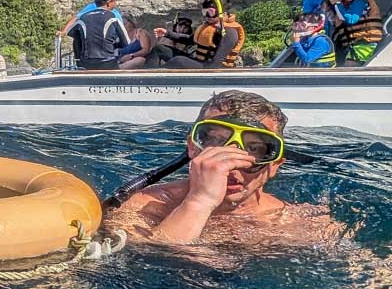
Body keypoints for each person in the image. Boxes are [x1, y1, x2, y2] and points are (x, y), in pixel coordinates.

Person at [112, 90, 336, 245]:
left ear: (275, 164)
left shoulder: (299, 223)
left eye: (255, 148)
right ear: (192, 147)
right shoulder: (142, 208)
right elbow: (140, 266)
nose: (230, 162)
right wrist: (200, 201)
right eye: (216, 142)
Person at [69, 0, 142, 70]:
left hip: (86, 64)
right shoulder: (113, 17)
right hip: (107, 63)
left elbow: (75, 40)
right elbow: (125, 43)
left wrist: (79, 60)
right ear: (109, 3)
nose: (115, 4)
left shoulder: (83, 18)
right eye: (114, 2)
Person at [162, 0, 244, 70]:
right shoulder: (207, 27)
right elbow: (189, 40)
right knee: (160, 49)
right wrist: (167, 33)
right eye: (205, 12)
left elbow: (217, 62)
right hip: (199, 62)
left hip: (212, 68)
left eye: (211, 12)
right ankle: (150, 76)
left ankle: (158, 78)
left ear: (223, 13)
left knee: (179, 60)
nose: (207, 16)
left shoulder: (230, 32)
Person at [331, 0, 385, 64]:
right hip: (357, 44)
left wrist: (337, 3)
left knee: (349, 67)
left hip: (366, 43)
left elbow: (352, 19)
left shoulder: (359, 1)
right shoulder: (348, 3)